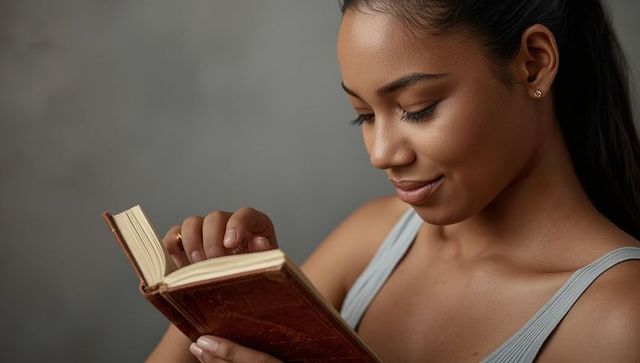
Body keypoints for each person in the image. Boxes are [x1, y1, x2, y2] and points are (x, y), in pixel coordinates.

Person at [147, 0, 640, 362]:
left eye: (417, 109)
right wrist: (220, 303)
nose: (382, 153)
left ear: (533, 62)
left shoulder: (619, 320)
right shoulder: (373, 239)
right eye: (363, 115)